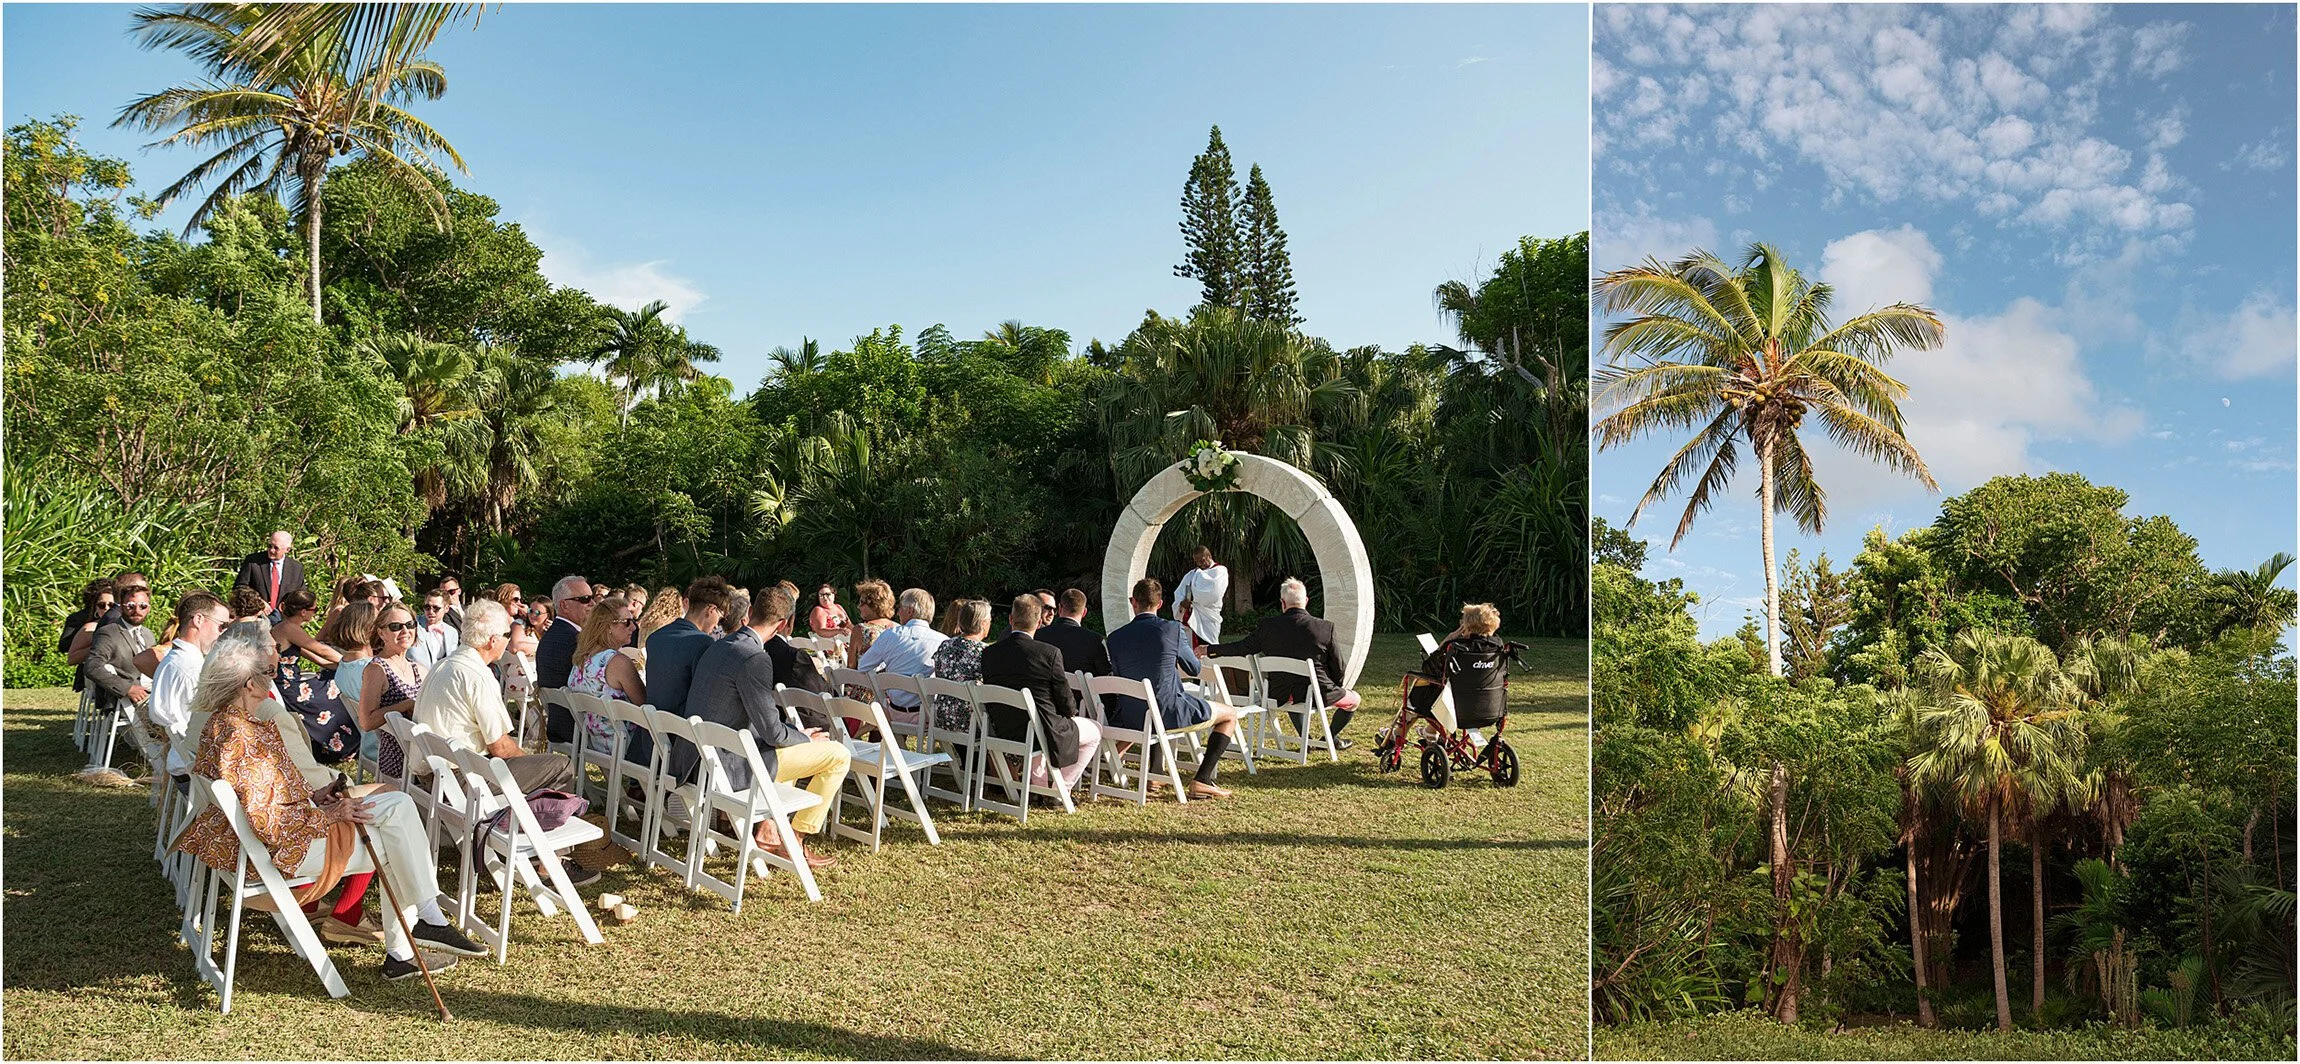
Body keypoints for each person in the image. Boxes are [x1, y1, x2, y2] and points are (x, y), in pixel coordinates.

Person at [173, 638, 488, 979]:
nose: (272, 678)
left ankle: (423, 927)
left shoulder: (224, 724)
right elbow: (268, 822)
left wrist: (314, 796)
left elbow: (262, 798)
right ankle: (415, 934)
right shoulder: (243, 736)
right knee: (398, 838)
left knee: (399, 808)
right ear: (249, 684)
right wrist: (327, 814)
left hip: (258, 848)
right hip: (281, 853)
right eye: (267, 672)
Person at [413, 600, 586, 881]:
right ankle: (552, 860)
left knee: (539, 767)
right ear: (493, 640)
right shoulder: (477, 675)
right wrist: (534, 765)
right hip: (463, 780)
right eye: (507, 634)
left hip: (434, 775)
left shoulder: (443, 665)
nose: (508, 640)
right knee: (561, 767)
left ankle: (526, 837)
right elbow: (501, 748)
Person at [681, 586, 850, 867]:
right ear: (783, 625)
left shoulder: (718, 646)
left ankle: (768, 829)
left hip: (698, 759)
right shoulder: (755, 657)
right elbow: (773, 733)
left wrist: (796, 736)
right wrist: (804, 739)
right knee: (839, 755)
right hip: (731, 768)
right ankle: (794, 839)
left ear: (750, 612)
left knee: (788, 745)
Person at [1107, 577, 1240, 799]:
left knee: (1157, 698)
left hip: (1131, 714)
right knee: (1230, 715)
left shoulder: (1115, 638)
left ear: (1133, 602)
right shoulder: (1171, 629)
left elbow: (1120, 675)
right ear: (1160, 604)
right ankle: (1202, 780)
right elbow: (1194, 668)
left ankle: (1154, 774)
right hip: (1166, 712)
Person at [1208, 576, 1363, 745]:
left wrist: (1209, 649)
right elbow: (1338, 665)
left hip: (1280, 693)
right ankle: (1329, 738)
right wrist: (1337, 685)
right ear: (1306, 601)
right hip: (1317, 692)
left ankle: (1307, 740)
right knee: (1354, 700)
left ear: (1283, 603)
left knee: (1291, 688)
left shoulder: (1268, 627)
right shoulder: (1325, 628)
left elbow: (1241, 647)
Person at [978, 594, 1099, 794]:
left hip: (1003, 727)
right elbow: (1066, 703)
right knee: (1095, 731)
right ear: (1039, 622)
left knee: (1039, 723)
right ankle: (1059, 790)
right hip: (1040, 730)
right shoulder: (1049, 653)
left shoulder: (990, 653)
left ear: (1011, 619)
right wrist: (1069, 713)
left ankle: (1039, 787)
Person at [643, 576, 730, 783]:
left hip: (649, 736)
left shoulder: (656, 637)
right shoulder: (703, 643)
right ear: (710, 610)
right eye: (720, 617)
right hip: (681, 740)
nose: (718, 624)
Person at [147, 591, 229, 783]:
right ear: (198, 620)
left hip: (183, 762)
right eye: (221, 626)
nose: (223, 634)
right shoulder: (190, 668)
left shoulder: (175, 658)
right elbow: (202, 730)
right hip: (196, 772)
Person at [567, 594, 647, 754]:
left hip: (595, 743)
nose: (633, 627)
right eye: (627, 622)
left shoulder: (581, 659)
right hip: (624, 747)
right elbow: (645, 705)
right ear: (608, 626)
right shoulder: (618, 662)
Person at [357, 604, 426, 784]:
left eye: (410, 624)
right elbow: (366, 722)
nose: (405, 631)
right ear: (381, 633)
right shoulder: (377, 670)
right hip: (400, 761)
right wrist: (407, 704)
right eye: (396, 626)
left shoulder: (418, 668)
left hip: (420, 753)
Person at [856, 587, 945, 725]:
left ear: (910, 611)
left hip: (894, 714)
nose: (898, 613)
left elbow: (863, 666)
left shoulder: (891, 635)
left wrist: (885, 671)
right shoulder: (943, 641)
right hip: (929, 716)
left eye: (900, 608)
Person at [85, 585, 158, 751]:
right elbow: (92, 666)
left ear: (148, 608)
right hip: (128, 701)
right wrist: (126, 688)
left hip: (151, 694)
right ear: (121, 606)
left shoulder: (148, 634)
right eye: (131, 605)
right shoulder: (108, 633)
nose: (137, 610)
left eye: (143, 606)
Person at [757, 587, 834, 730]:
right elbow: (823, 696)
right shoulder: (794, 657)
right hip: (808, 726)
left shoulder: (755, 649)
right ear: (788, 622)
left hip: (771, 721)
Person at [535, 575, 594, 743]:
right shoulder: (575, 641)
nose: (592, 604)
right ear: (564, 605)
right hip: (579, 728)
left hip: (559, 724)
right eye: (585, 599)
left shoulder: (551, 636)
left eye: (592, 598)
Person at [319, 602, 379, 762]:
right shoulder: (371, 669)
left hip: (368, 743)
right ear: (369, 628)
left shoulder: (344, 665)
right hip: (386, 747)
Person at [929, 599, 991, 734]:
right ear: (983, 623)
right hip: (970, 721)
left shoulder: (945, 645)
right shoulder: (985, 652)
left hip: (942, 716)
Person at [1037, 588, 1113, 677]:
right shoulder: (1095, 640)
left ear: (1060, 608)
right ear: (1084, 612)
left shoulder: (1038, 635)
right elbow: (1106, 674)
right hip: (1082, 685)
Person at [61, 579, 117, 693]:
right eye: (101, 605)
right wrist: (100, 646)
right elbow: (71, 657)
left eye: (111, 605)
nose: (106, 608)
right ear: (95, 608)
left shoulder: (128, 626)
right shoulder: (90, 628)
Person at [1173, 545, 1229, 650]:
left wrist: (1193, 597)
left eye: (1202, 560)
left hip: (1209, 617)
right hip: (1193, 616)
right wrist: (1182, 603)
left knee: (1210, 648)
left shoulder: (1220, 571)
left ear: (1209, 556)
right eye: (1197, 562)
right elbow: (1179, 593)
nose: (1200, 564)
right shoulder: (1191, 574)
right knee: (1192, 649)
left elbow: (1214, 593)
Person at [846, 579, 897, 668]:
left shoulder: (861, 629)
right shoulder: (899, 629)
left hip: (866, 677)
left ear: (874, 605)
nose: (858, 606)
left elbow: (851, 666)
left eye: (862, 602)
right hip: (893, 676)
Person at [407, 591, 461, 673]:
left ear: (446, 608)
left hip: (441, 677)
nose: (431, 611)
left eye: (436, 608)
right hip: (416, 675)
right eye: (427, 607)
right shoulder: (413, 624)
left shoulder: (452, 632)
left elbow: (452, 659)